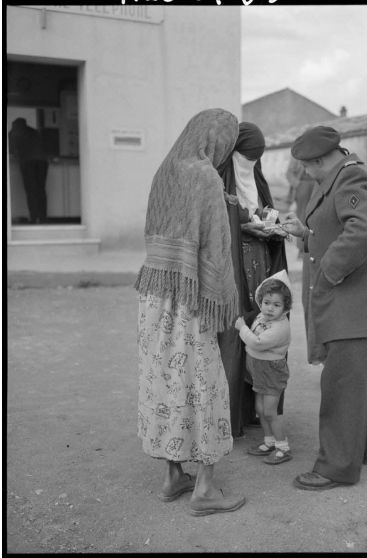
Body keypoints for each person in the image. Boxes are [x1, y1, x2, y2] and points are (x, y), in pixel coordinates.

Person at [134, 108, 246, 516]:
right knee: (205, 382)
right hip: (189, 298)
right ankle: (205, 490)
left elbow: (179, 219)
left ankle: (172, 476)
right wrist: (225, 297)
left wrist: (222, 200)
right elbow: (214, 248)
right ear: (219, 141)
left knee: (165, 380)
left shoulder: (166, 170)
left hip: (155, 292)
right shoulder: (206, 176)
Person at [282, 125, 367, 491]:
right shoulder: (343, 177)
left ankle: (336, 466)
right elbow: (340, 226)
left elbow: (363, 230)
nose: (307, 175)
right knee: (365, 382)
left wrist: (329, 270)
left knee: (342, 386)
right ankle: (360, 450)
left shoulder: (350, 179)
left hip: (352, 304)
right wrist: (308, 235)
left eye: (307, 168)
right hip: (361, 306)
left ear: (319, 160)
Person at [217, 122, 289, 438]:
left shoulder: (255, 178)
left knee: (263, 324)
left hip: (259, 264)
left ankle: (262, 408)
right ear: (233, 154)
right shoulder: (219, 181)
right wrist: (244, 223)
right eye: (244, 159)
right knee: (237, 335)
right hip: (232, 269)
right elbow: (219, 219)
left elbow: (261, 207)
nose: (249, 167)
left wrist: (268, 219)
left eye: (254, 161)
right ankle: (235, 414)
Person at [235, 270, 293, 465]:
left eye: (276, 305)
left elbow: (257, 342)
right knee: (260, 408)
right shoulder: (262, 316)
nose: (269, 309)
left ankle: (282, 447)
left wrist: (242, 327)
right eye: (267, 303)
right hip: (259, 370)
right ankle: (269, 441)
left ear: (285, 307)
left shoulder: (280, 327)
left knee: (270, 411)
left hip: (271, 371)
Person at [8, 117, 49, 224]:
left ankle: (34, 217)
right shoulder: (33, 131)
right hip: (42, 161)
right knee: (40, 189)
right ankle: (43, 218)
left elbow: (10, 149)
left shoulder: (15, 132)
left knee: (31, 190)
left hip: (28, 161)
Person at [286, 157, 316, 257]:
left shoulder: (318, 148)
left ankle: (315, 246)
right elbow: (289, 173)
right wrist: (298, 185)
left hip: (317, 184)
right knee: (303, 217)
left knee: (317, 215)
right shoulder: (297, 154)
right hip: (303, 185)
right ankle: (302, 249)